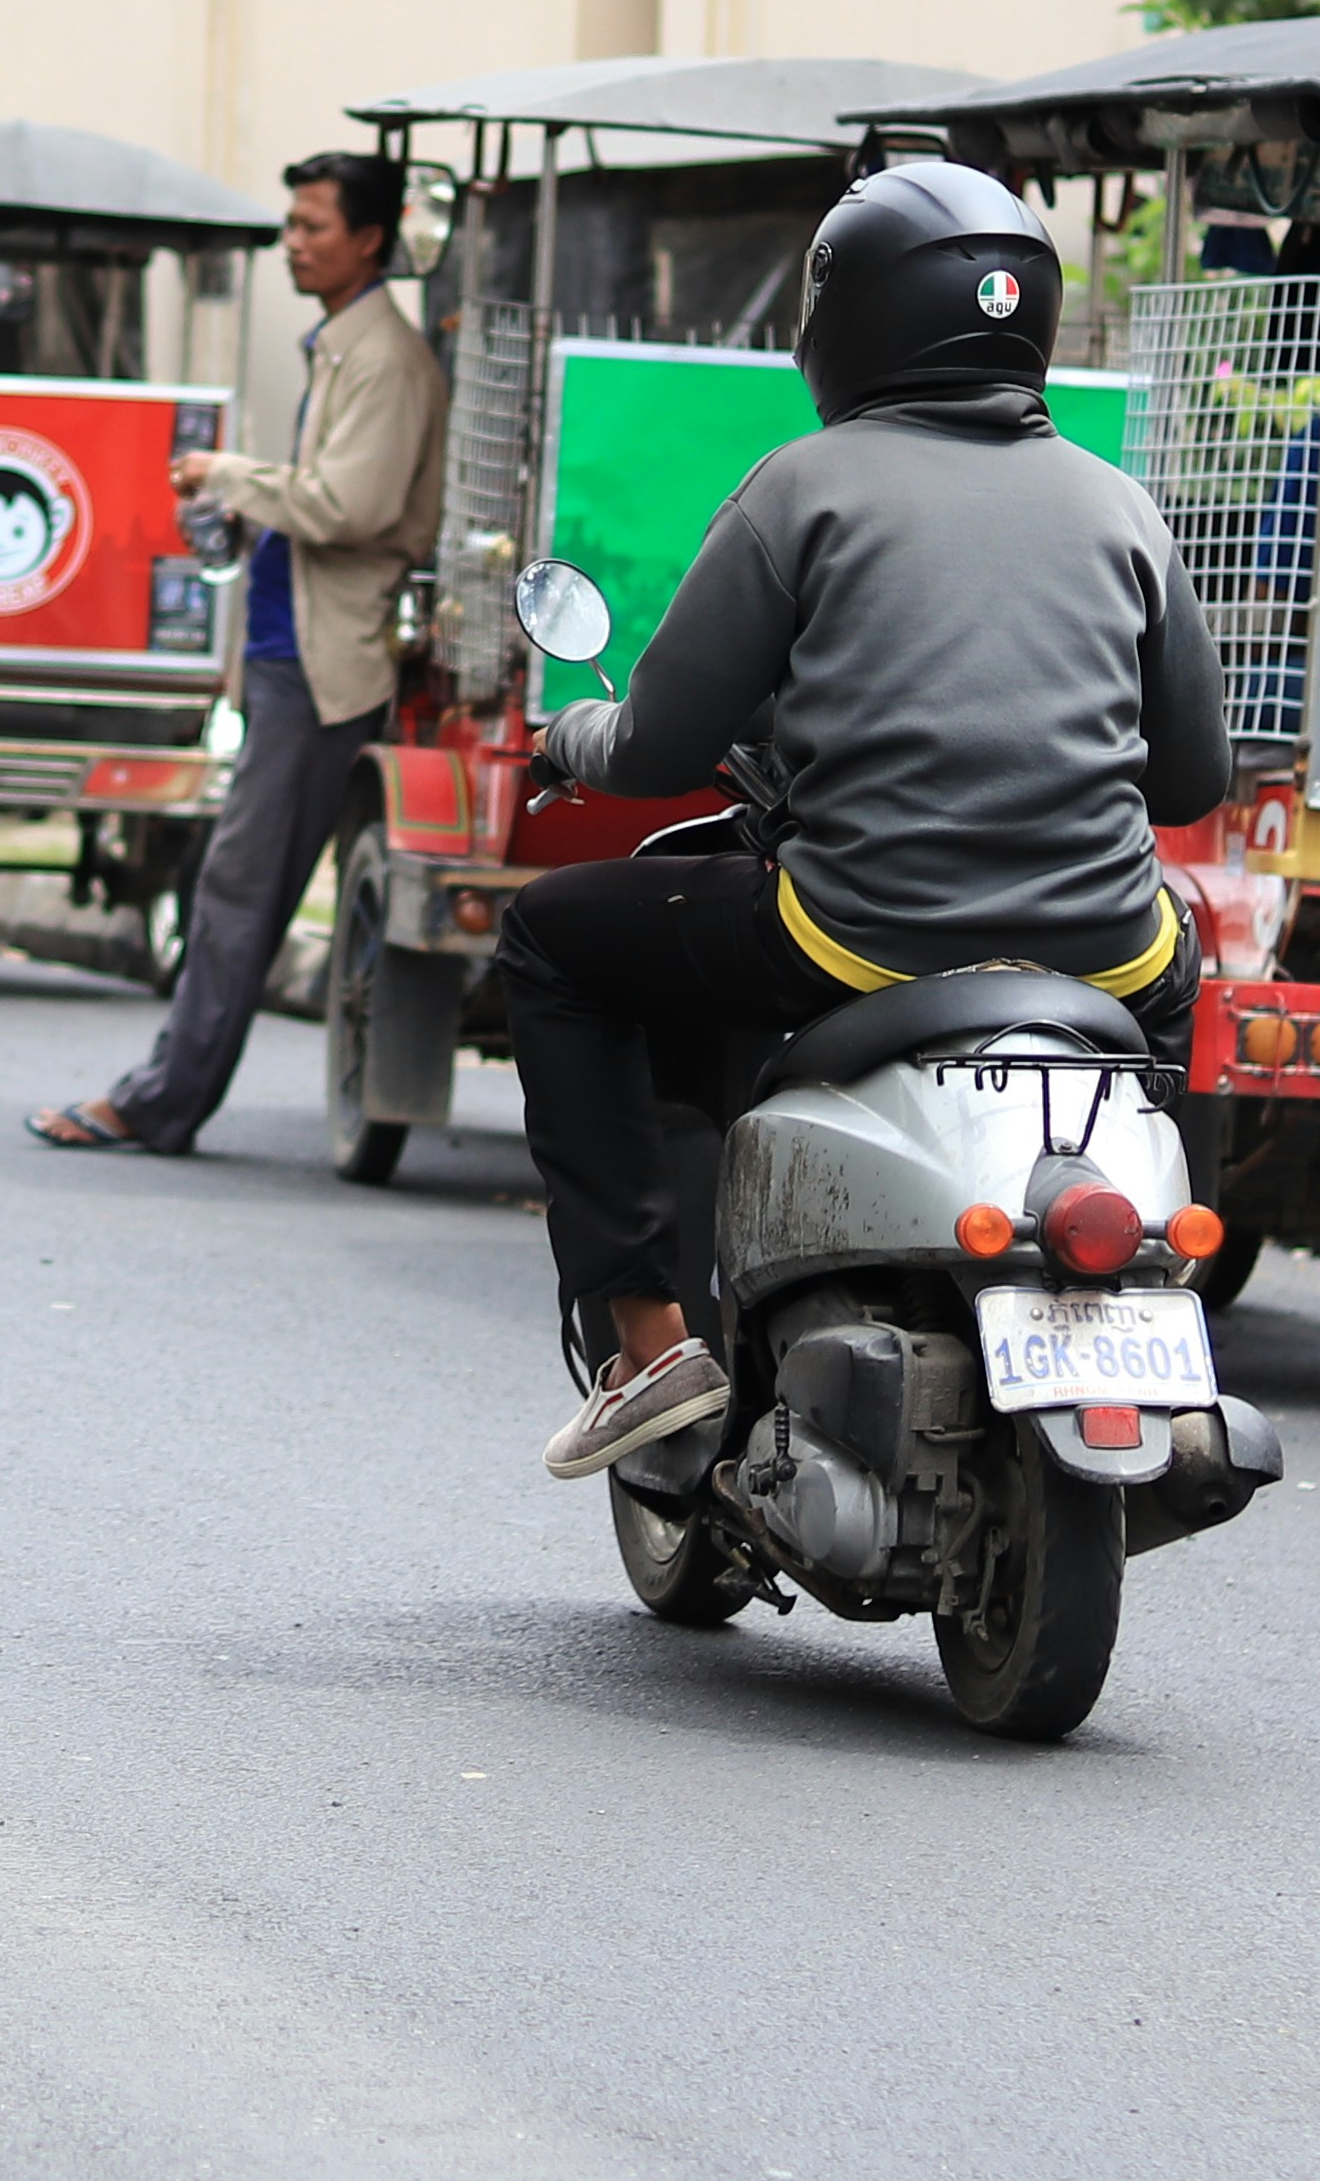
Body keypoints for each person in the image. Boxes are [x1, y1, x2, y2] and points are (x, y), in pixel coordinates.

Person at [496, 164, 1230, 1481]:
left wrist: (569, 739)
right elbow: (1187, 785)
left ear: (849, 317)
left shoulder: (804, 488)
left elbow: (661, 742)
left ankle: (650, 1343)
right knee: (1172, 991)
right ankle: (1151, 1279)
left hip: (858, 938)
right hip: (1109, 956)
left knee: (552, 941)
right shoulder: (1123, 505)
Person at [27, 148, 442, 1154]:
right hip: (289, 653)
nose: (294, 242)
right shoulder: (346, 343)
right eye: (292, 224)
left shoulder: (383, 354)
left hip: (321, 665)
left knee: (238, 889)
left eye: (313, 226)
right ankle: (165, 1093)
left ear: (370, 239)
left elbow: (353, 505)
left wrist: (229, 475)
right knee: (235, 885)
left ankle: (162, 1101)